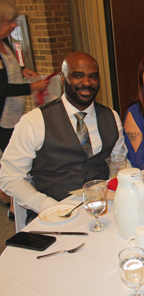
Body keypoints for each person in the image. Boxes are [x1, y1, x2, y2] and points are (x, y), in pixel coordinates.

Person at [0, 52, 127, 223]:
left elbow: (119, 163)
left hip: (104, 212)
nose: (87, 83)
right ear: (62, 78)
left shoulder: (111, 117)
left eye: (93, 76)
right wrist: (48, 206)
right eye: (77, 75)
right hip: (54, 216)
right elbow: (10, 177)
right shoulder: (34, 121)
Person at [0, 1, 49, 220]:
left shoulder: (4, 43)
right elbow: (1, 86)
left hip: (12, 113)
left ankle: (11, 201)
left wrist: (22, 70)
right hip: (2, 118)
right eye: (8, 21)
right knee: (16, 164)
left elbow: (7, 69)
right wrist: (32, 87)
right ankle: (14, 209)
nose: (12, 26)